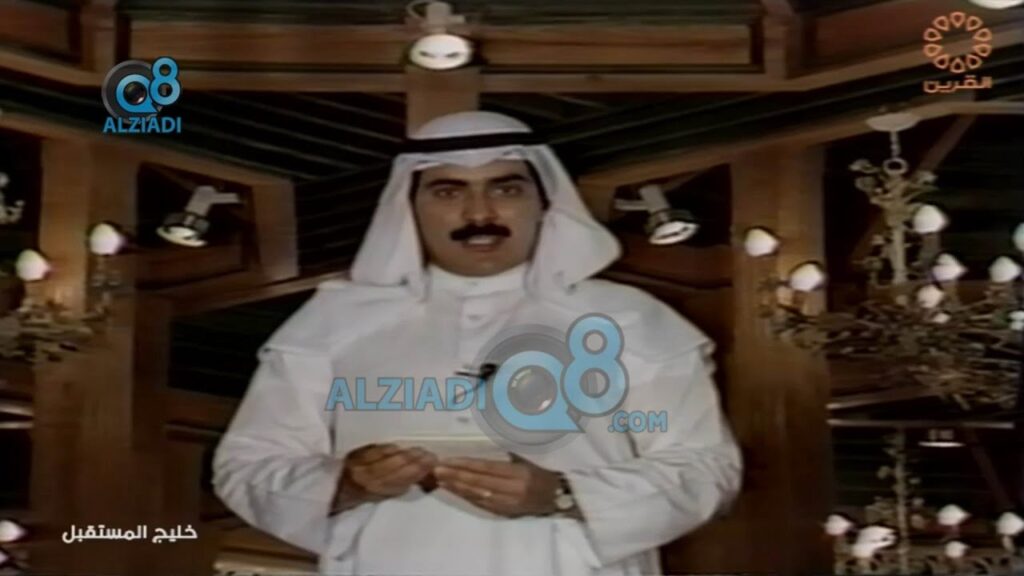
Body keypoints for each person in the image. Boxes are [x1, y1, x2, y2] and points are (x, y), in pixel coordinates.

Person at [212, 111, 742, 576]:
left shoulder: (627, 320)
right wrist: (348, 484)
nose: (479, 213)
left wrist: (563, 494)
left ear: (545, 202)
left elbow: (706, 468)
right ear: (409, 207)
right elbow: (247, 467)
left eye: (506, 189)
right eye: (448, 192)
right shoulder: (332, 323)